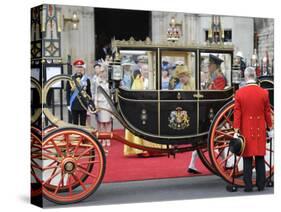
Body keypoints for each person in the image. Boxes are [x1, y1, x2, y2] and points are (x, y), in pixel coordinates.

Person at [233, 67, 273, 192]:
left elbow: (237, 114)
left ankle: (248, 186)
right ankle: (261, 185)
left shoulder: (240, 93)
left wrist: (235, 130)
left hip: (246, 129)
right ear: (255, 76)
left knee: (247, 158)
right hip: (260, 129)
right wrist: (270, 127)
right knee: (260, 157)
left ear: (245, 77)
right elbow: (267, 112)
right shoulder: (264, 93)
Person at [67, 59, 91, 126]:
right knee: (75, 123)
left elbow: (89, 92)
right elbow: (68, 92)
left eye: (81, 67)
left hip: (83, 104)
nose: (79, 69)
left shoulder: (87, 79)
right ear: (75, 68)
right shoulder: (71, 79)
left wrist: (90, 103)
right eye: (78, 67)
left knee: (83, 123)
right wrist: (68, 104)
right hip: (74, 103)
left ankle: (82, 136)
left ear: (83, 68)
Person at [95, 65, 112, 148]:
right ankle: (103, 138)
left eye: (104, 71)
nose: (103, 73)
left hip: (108, 104)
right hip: (100, 103)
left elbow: (111, 93)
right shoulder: (97, 81)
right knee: (101, 122)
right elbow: (95, 93)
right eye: (101, 72)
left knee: (108, 122)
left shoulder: (109, 81)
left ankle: (108, 138)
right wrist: (95, 104)